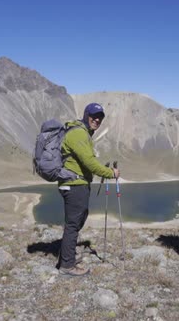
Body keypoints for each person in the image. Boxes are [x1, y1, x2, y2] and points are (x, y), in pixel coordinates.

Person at [57, 102, 120, 277]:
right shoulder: (78, 133)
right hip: (75, 184)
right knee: (73, 225)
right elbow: (90, 162)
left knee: (76, 222)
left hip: (75, 183)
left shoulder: (82, 133)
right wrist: (110, 173)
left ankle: (67, 257)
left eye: (100, 117)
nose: (97, 120)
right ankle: (67, 266)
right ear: (86, 115)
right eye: (93, 116)